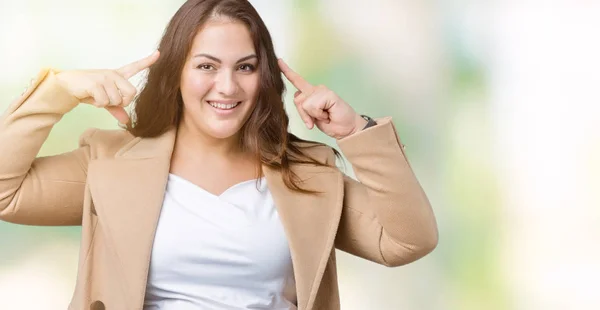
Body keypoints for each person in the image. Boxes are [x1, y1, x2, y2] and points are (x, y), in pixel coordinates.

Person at [0, 0, 438, 309]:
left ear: (263, 76)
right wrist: (56, 92)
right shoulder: (111, 163)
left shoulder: (306, 174)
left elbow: (408, 241)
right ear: (175, 74)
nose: (226, 87)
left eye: (244, 67)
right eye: (206, 66)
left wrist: (354, 131)